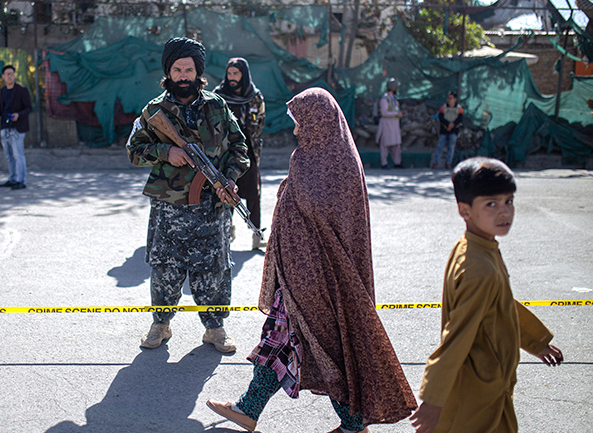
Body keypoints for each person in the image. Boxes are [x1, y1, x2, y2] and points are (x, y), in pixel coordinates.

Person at [206, 88, 417, 432]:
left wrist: (291, 197)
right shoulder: (315, 157)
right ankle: (250, 409)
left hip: (319, 278)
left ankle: (350, 423)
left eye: (299, 122)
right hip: (298, 272)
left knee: (324, 347)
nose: (295, 130)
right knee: (282, 338)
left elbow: (324, 217)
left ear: (317, 122)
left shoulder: (334, 163)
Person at [410, 157, 563, 433]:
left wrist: (535, 340)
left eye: (509, 201)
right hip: (479, 389)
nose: (504, 212)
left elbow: (501, 303)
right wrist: (433, 399)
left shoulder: (475, 248)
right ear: (464, 210)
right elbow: (456, 336)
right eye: (491, 204)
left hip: (489, 384)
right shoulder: (479, 268)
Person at [126, 37, 249, 353]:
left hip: (212, 206)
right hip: (169, 207)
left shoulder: (217, 106)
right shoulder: (154, 110)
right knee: (165, 268)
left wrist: (230, 179)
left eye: (189, 70)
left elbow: (239, 147)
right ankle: (161, 324)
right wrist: (166, 152)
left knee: (215, 269)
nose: (183, 76)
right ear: (168, 72)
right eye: (178, 69)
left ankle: (215, 329)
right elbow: (134, 151)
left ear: (198, 73)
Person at [213, 57, 266, 250]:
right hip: (225, 152)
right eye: (229, 73)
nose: (232, 77)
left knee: (253, 193)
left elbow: (260, 121)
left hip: (248, 150)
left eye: (236, 73)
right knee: (227, 190)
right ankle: (227, 230)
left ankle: (256, 234)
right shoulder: (218, 96)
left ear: (244, 75)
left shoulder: (254, 96)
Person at [0, 65, 32, 190]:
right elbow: (1, 107)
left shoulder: (21, 90)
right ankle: (12, 179)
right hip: (5, 127)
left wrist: (18, 115)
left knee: (18, 155)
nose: (10, 76)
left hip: (17, 128)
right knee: (9, 156)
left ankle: (21, 181)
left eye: (12, 74)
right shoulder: (3, 90)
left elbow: (28, 108)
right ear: (3, 76)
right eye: (7, 74)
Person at [375, 78, 405, 169]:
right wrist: (396, 114)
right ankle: (384, 163)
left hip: (395, 124)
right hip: (387, 124)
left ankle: (397, 162)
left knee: (396, 144)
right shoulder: (385, 99)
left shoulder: (394, 98)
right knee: (385, 144)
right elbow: (384, 113)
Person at [432, 91, 463, 169]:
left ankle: (448, 163)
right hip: (444, 130)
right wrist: (448, 125)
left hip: (454, 131)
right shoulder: (443, 107)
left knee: (451, 148)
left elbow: (460, 119)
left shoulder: (459, 108)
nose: (449, 100)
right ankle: (435, 162)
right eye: (448, 98)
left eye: (451, 98)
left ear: (455, 99)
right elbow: (441, 117)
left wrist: (452, 125)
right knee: (440, 147)